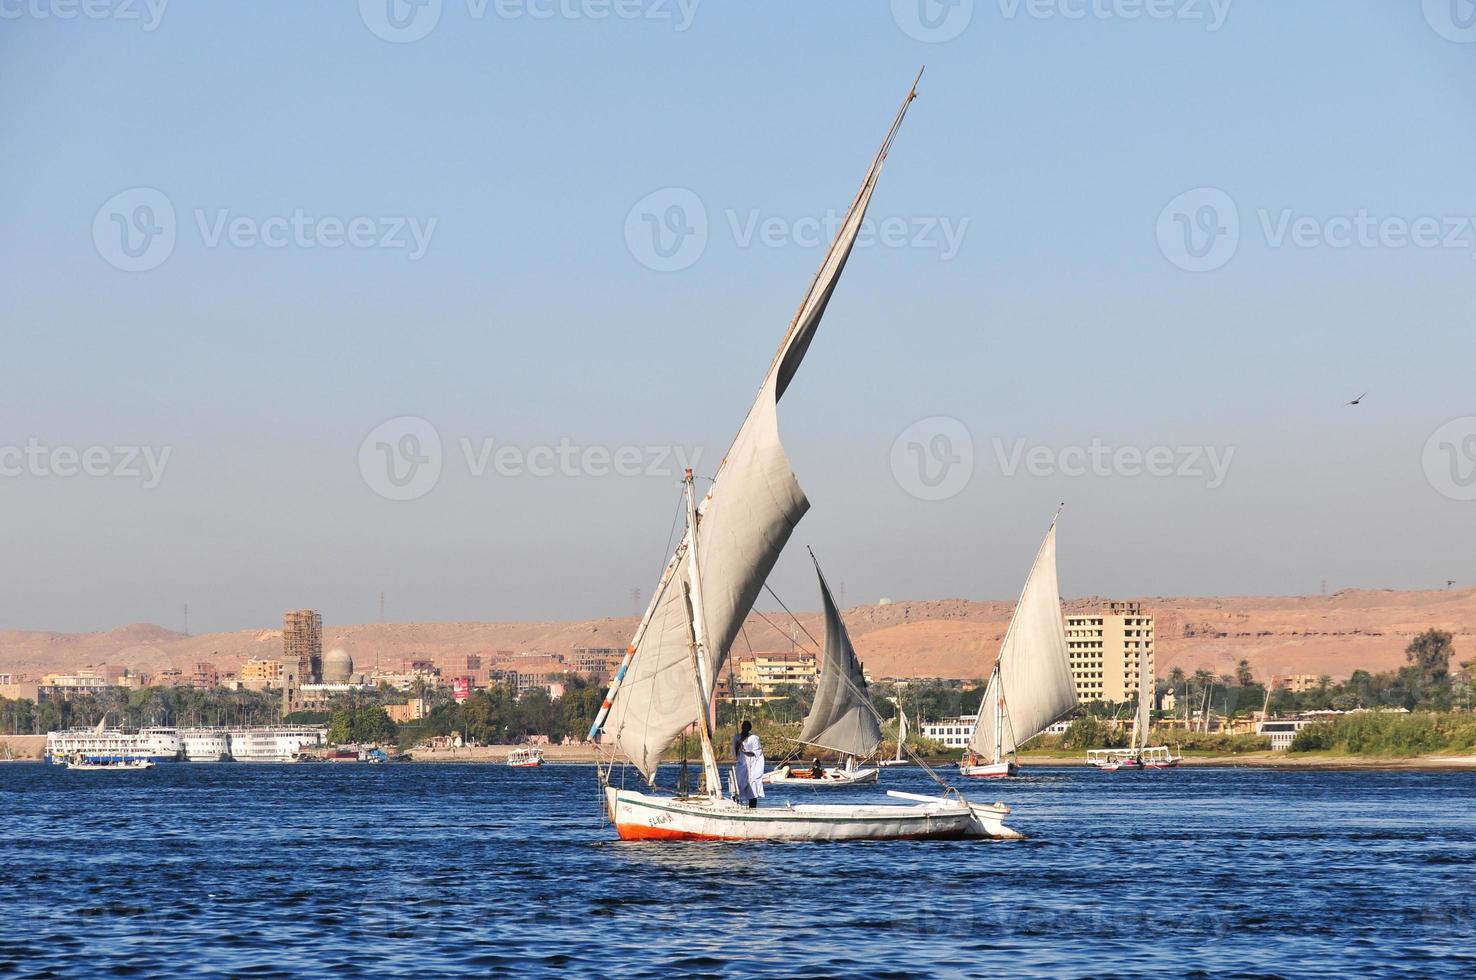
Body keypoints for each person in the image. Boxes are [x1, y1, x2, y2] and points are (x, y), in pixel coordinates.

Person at [732, 720, 765, 808]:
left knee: (752, 785)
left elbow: (756, 752)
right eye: (743, 726)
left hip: (752, 764)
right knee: (738, 784)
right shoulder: (737, 737)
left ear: (749, 728)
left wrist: (745, 751)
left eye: (746, 727)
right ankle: (737, 804)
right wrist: (738, 745)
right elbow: (734, 752)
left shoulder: (754, 738)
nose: (744, 728)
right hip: (741, 764)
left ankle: (752, 807)